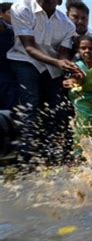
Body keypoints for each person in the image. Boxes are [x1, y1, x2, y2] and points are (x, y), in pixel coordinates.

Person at [8, 0, 78, 165]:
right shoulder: (21, 7)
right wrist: (58, 63)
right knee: (30, 103)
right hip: (24, 59)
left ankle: (52, 153)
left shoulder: (68, 25)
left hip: (51, 67)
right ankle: (27, 156)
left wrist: (66, 63)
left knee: (58, 106)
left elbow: (62, 53)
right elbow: (29, 48)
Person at [0, 2, 18, 111]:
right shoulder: (3, 27)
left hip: (11, 72)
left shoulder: (17, 29)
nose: (15, 16)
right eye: (10, 13)